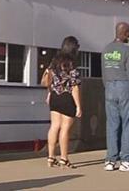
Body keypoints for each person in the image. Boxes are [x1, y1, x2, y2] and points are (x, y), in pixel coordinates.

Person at [101, 22, 129, 172]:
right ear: (125, 33)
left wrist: (108, 87)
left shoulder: (106, 50)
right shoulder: (127, 50)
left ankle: (110, 160)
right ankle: (126, 160)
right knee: (128, 124)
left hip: (109, 87)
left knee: (112, 125)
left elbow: (104, 74)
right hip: (124, 87)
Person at [42, 36, 83, 169]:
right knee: (65, 129)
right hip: (67, 98)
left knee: (54, 126)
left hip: (54, 97)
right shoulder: (71, 63)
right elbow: (74, 86)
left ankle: (50, 157)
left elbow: (49, 78)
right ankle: (64, 159)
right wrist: (78, 106)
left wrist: (49, 93)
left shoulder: (54, 61)